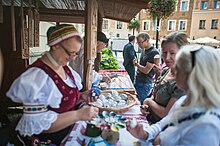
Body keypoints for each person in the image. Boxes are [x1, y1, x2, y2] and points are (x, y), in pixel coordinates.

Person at [6, 24, 99, 145]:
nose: (73, 58)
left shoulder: (66, 69)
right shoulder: (36, 77)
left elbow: (62, 104)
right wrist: (78, 115)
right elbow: (38, 125)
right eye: (70, 53)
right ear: (55, 46)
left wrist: (82, 97)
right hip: (42, 140)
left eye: (76, 53)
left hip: (63, 134)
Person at [128, 45, 220, 146]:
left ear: (192, 75)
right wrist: (144, 134)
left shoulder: (206, 126)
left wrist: (156, 140)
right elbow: (162, 124)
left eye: (179, 67)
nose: (174, 69)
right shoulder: (184, 100)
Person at [141, 32, 188, 124]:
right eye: (164, 52)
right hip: (151, 123)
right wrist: (146, 107)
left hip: (163, 130)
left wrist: (147, 101)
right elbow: (154, 96)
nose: (167, 57)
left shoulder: (183, 81)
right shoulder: (166, 70)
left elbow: (166, 113)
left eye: (172, 53)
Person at [133, 33, 159, 104]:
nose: (139, 45)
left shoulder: (153, 52)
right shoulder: (144, 50)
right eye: (137, 43)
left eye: (140, 42)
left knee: (140, 104)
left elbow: (146, 70)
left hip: (145, 83)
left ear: (147, 40)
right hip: (138, 80)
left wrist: (136, 64)